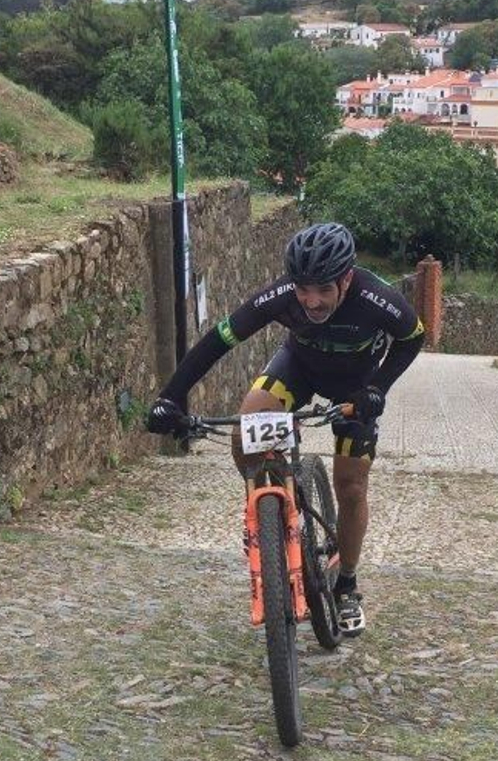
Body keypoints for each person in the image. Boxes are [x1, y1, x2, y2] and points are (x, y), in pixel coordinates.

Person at [144, 223, 425, 636]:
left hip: (355, 388)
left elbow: (413, 338)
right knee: (246, 431)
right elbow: (217, 342)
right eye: (303, 288)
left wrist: (377, 390)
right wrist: (171, 396)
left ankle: (346, 583)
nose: (311, 301)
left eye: (323, 290)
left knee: (351, 486)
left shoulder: (377, 298)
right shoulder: (280, 295)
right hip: (298, 369)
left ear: (346, 279)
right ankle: (265, 513)